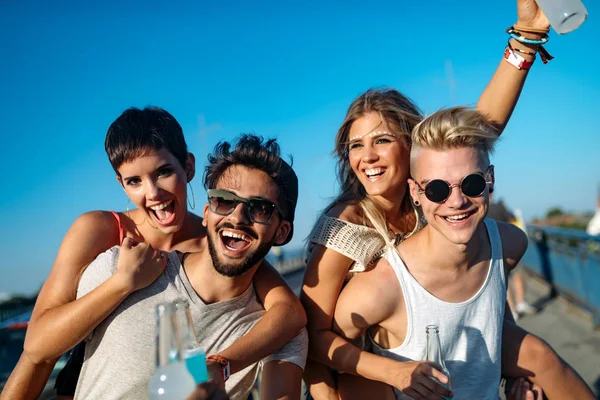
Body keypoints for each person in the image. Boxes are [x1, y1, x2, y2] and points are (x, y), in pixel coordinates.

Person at [299, 1, 593, 397]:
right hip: (371, 371)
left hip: (443, 342)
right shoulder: (346, 224)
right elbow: (312, 338)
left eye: (382, 141)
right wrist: (385, 375)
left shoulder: (441, 198)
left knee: (538, 356)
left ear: (413, 146)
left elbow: (476, 132)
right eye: (355, 146)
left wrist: (527, 38)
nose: (366, 157)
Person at [0, 109, 306, 399]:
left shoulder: (215, 240)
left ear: (187, 166)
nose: (153, 193)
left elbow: (288, 311)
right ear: (121, 184)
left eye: (162, 173)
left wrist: (219, 366)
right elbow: (38, 350)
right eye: (134, 181)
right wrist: (123, 282)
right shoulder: (104, 231)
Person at [331, 107, 595, 399]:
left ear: (490, 178)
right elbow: (321, 345)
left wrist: (512, 375)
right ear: (416, 193)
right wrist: (389, 373)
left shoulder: (508, 244)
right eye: (436, 190)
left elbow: (493, 318)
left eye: (471, 184)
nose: (456, 201)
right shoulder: (385, 285)